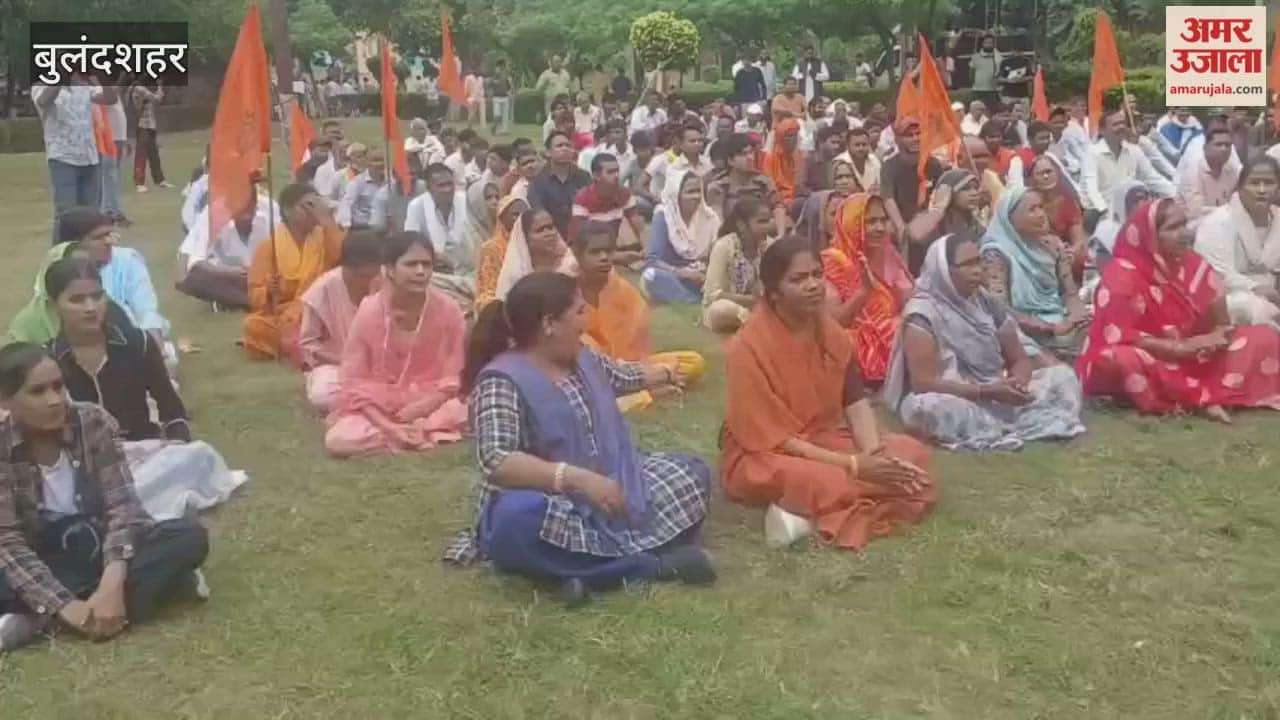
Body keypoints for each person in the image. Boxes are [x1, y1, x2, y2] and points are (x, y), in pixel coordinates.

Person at [446, 271, 715, 603]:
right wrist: (577, 479)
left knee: (693, 472)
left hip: (616, 487)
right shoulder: (501, 381)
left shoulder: (583, 358)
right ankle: (650, 566)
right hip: (554, 503)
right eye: (578, 312)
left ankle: (573, 571)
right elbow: (498, 460)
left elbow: (623, 375)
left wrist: (667, 372)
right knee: (514, 520)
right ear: (549, 324)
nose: (586, 321)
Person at [721, 234, 934, 549]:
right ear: (773, 294)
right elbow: (775, 440)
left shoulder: (831, 333)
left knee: (911, 454)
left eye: (817, 275)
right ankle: (813, 510)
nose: (813, 285)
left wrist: (875, 457)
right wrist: (854, 465)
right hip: (764, 454)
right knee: (828, 482)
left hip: (820, 439)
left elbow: (855, 401)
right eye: (798, 279)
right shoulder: (746, 348)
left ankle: (802, 515)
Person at [0, 343, 210, 653]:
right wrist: (66, 607)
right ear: (5, 400)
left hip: (102, 546)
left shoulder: (92, 422)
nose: (55, 400)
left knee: (188, 536)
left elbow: (123, 508)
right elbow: (8, 542)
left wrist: (112, 582)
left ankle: (38, 620)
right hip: (44, 557)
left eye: (59, 386)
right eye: (38, 391)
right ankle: (165, 586)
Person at [44, 258, 243, 516]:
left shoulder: (138, 344)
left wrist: (177, 446)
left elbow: (171, 409)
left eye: (97, 296)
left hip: (142, 455)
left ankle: (122, 508)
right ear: (53, 305)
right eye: (77, 300)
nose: (90, 307)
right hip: (84, 469)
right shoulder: (48, 361)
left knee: (197, 455)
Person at [1079, 198, 1280, 422]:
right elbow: (1121, 337)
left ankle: (1205, 394)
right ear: (1150, 235)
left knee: (1263, 337)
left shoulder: (1192, 264)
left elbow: (1221, 322)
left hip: (1195, 355)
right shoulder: (1121, 274)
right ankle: (1203, 396)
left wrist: (1216, 337)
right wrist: (1183, 347)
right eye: (1173, 227)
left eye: (1184, 224)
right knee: (1118, 359)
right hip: (1150, 357)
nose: (1184, 233)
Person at [884, 234, 1086, 450]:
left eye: (979, 261)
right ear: (944, 270)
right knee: (926, 408)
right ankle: (1010, 425)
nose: (978, 270)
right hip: (955, 395)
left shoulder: (985, 301)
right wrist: (986, 391)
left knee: (1062, 376)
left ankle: (1003, 424)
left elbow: (1018, 357)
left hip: (1000, 392)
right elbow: (923, 383)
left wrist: (1018, 382)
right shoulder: (922, 313)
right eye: (968, 265)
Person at [324, 232, 468, 458]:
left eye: (426, 264)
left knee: (461, 412)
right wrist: (390, 427)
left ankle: (415, 433)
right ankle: (416, 436)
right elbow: (353, 381)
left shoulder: (448, 310)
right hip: (378, 404)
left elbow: (452, 378)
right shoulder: (370, 311)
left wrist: (420, 408)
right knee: (338, 440)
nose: (421, 272)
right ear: (390, 269)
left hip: (431, 402)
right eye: (411, 264)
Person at [572, 221, 705, 413]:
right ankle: (647, 391)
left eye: (608, 251)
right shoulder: (567, 293)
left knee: (694, 362)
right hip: (590, 371)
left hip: (631, 368)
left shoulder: (625, 293)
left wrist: (635, 371)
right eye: (595, 252)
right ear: (578, 255)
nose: (604, 258)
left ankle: (634, 391)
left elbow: (638, 350)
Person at [980, 187, 1090, 362]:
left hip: (1061, 321)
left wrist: (1078, 315)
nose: (1040, 214)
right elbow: (999, 309)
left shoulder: (1053, 244)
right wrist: (1050, 328)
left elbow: (1069, 293)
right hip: (1023, 331)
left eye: (1041, 207)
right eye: (1032, 210)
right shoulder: (996, 254)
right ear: (1010, 219)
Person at [244, 183, 345, 362]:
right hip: (285, 316)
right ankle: (304, 345)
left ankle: (300, 344)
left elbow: (343, 258)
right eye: (306, 206)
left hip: (321, 311)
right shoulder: (268, 247)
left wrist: (327, 221)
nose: (312, 212)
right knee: (254, 326)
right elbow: (254, 295)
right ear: (287, 211)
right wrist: (268, 290)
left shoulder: (328, 236)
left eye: (316, 206)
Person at [823, 194, 913, 383]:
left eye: (883, 220)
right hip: (855, 347)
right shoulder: (834, 262)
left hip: (897, 335)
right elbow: (832, 325)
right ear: (850, 223)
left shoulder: (889, 254)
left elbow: (909, 300)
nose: (880, 228)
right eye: (870, 221)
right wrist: (863, 293)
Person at [298, 230, 384, 412]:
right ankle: (373, 399)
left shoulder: (386, 281)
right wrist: (348, 361)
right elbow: (309, 345)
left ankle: (371, 397)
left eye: (373, 276)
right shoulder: (322, 290)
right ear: (346, 268)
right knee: (323, 395)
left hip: (383, 364)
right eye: (361, 277)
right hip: (337, 366)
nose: (368, 283)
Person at [1193, 155, 1280, 326]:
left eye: (1269, 183)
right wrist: (1256, 288)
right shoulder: (1218, 221)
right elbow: (1214, 271)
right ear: (1240, 187)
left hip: (1274, 295)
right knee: (1251, 307)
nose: (1262, 190)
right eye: (1254, 183)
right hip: (1231, 299)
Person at [32, 75, 119, 241]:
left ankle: (88, 260)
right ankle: (61, 260)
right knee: (66, 215)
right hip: (63, 158)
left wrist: (103, 77)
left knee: (91, 216)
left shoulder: (83, 86)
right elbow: (44, 101)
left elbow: (111, 99)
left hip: (89, 158)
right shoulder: (42, 87)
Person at [177, 181, 280, 310]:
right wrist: (236, 272)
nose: (245, 209)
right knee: (196, 279)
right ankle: (253, 302)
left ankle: (234, 302)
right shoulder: (213, 213)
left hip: (265, 276)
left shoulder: (270, 208)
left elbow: (285, 249)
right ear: (228, 204)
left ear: (256, 202)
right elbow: (196, 262)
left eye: (249, 203)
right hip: (231, 276)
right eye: (238, 205)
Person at [643, 168, 719, 304]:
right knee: (651, 275)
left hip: (702, 276)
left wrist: (704, 273)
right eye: (690, 192)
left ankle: (701, 296)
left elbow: (716, 254)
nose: (696, 196)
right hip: (673, 275)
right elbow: (652, 260)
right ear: (676, 194)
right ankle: (692, 300)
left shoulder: (710, 217)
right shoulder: (664, 216)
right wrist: (682, 272)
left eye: (698, 191)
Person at [1083, 110, 1176, 213]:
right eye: (1115, 124)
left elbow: (1154, 179)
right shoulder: (1091, 153)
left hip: (1128, 211)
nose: (1121, 127)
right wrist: (1106, 212)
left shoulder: (1134, 150)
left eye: (1123, 123)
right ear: (1102, 130)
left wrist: (1179, 197)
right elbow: (1091, 191)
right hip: (1099, 213)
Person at [702, 196, 772, 333]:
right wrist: (751, 300)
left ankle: (759, 323)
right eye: (761, 222)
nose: (768, 227)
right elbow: (713, 295)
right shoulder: (724, 246)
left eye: (768, 221)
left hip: (759, 306)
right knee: (721, 309)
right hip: (727, 307)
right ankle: (759, 324)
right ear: (742, 225)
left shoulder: (769, 246)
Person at [905, 169, 985, 276]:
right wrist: (939, 207)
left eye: (975, 188)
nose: (974, 193)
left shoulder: (977, 228)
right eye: (966, 189)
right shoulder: (932, 222)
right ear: (948, 191)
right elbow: (914, 234)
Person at [880, 117, 944, 244]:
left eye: (918, 133)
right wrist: (900, 226)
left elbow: (940, 197)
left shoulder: (933, 164)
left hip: (930, 224)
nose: (915, 138)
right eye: (909, 135)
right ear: (897, 140)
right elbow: (888, 198)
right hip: (901, 224)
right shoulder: (890, 166)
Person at [1024, 154, 1087, 278]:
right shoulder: (1025, 203)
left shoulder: (1067, 201)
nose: (1046, 176)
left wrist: (1072, 252)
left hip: (1063, 253)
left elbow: (1079, 239)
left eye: (1049, 172)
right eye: (1041, 174)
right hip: (1035, 253)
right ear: (1031, 178)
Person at [495, 208, 578, 302]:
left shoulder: (572, 264)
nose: (549, 233)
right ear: (525, 238)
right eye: (540, 230)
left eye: (550, 227)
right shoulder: (516, 276)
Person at [528, 131, 593, 239]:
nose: (564, 149)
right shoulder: (538, 182)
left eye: (568, 145)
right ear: (548, 152)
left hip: (582, 237)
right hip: (551, 237)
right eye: (559, 146)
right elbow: (539, 212)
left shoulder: (584, 177)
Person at [1177, 125, 1239, 231]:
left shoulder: (1232, 170)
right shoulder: (1193, 170)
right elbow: (1196, 212)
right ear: (1205, 147)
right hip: (1190, 225)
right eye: (1218, 144)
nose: (1224, 149)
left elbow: (1237, 202)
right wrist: (1229, 213)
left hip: (1224, 223)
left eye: (1227, 145)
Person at [636, 122, 710, 210]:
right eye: (692, 141)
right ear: (679, 142)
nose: (697, 144)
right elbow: (639, 186)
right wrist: (655, 198)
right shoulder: (662, 160)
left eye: (700, 140)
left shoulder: (707, 163)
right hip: (663, 204)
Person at [475, 196, 529, 310]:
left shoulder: (533, 243)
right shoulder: (491, 248)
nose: (520, 219)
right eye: (515, 214)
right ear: (502, 218)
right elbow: (487, 289)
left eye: (524, 214)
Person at [129, 81, 170, 193]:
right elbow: (157, 99)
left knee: (154, 154)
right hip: (142, 125)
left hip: (150, 125)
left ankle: (159, 180)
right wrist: (160, 86)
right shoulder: (139, 88)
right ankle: (139, 183)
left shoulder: (146, 88)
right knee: (141, 155)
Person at [763, 118, 802, 210]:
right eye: (790, 136)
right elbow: (769, 187)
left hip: (798, 199)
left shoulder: (799, 156)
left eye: (795, 135)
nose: (794, 139)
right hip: (779, 202)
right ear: (780, 138)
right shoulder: (770, 158)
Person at [835, 126, 881, 194]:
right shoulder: (839, 162)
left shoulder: (874, 160)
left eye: (864, 144)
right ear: (848, 146)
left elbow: (880, 186)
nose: (861, 148)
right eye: (857, 145)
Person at [970, 35, 1002, 106]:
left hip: (992, 90)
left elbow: (1000, 72)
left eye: (990, 43)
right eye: (986, 43)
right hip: (977, 90)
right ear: (983, 44)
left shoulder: (998, 57)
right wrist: (974, 84)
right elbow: (971, 73)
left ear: (993, 44)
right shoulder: (976, 56)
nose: (988, 45)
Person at [489, 60, 513, 136]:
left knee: (505, 116)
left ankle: (504, 130)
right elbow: (490, 84)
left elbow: (509, 86)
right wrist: (493, 81)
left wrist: (510, 92)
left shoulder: (506, 75)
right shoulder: (495, 75)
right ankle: (494, 127)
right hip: (496, 97)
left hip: (505, 97)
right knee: (497, 115)